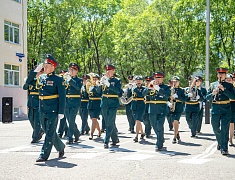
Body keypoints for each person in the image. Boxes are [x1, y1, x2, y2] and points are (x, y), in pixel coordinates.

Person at [36, 54, 66, 162]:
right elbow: (29, 84)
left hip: (53, 109)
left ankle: (44, 155)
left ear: (53, 66)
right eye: (44, 65)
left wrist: (61, 111)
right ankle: (61, 147)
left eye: (47, 65)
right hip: (43, 108)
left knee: (49, 132)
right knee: (48, 130)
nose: (45, 67)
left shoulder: (58, 79)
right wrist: (36, 72)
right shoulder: (42, 77)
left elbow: (62, 96)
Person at [206, 68, 235, 155]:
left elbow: (233, 97)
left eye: (222, 74)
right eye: (219, 74)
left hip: (226, 109)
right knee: (215, 128)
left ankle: (224, 148)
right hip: (215, 109)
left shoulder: (229, 85)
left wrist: (224, 90)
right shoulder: (212, 85)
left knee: (224, 130)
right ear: (217, 75)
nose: (221, 75)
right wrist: (212, 94)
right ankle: (220, 141)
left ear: (225, 75)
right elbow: (206, 98)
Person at [143, 72, 170, 151]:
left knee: (159, 126)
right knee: (154, 125)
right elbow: (143, 94)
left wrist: (158, 88)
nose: (157, 80)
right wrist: (148, 88)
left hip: (162, 109)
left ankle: (159, 144)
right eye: (156, 78)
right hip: (152, 109)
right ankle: (160, 138)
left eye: (159, 78)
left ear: (162, 79)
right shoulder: (151, 86)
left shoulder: (166, 87)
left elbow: (167, 95)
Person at [99, 64, 122, 149]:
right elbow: (99, 92)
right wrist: (99, 85)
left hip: (113, 103)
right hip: (104, 103)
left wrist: (109, 85)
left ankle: (106, 141)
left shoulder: (117, 81)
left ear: (113, 71)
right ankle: (115, 139)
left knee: (109, 122)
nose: (108, 72)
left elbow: (119, 92)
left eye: (110, 70)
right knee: (108, 121)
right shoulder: (104, 80)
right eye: (107, 70)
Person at [23, 66, 44, 143]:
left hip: (38, 102)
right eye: (38, 72)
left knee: (37, 121)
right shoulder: (31, 80)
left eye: (40, 72)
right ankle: (40, 131)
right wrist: (28, 80)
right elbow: (25, 87)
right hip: (31, 102)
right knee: (30, 118)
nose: (39, 73)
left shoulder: (42, 81)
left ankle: (35, 137)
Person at [64, 63, 83, 144]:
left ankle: (69, 137)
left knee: (71, 120)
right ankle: (77, 133)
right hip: (66, 102)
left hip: (75, 102)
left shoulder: (79, 80)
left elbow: (78, 87)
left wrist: (70, 80)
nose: (71, 71)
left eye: (73, 70)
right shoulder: (66, 79)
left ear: (77, 71)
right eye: (70, 69)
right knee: (69, 120)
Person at [127, 76, 146, 142]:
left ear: (142, 81)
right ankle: (142, 133)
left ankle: (136, 136)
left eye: (140, 80)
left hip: (141, 105)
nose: (138, 81)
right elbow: (128, 96)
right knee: (137, 121)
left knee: (138, 120)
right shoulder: (133, 88)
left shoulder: (144, 88)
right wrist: (129, 89)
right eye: (137, 80)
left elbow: (141, 94)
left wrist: (134, 89)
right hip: (134, 105)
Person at [169, 76, 185, 143]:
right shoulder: (170, 89)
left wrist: (178, 97)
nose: (175, 83)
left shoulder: (181, 90)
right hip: (172, 107)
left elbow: (184, 99)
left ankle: (174, 138)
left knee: (176, 121)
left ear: (179, 82)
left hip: (178, 107)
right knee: (173, 122)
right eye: (174, 82)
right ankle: (177, 133)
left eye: (176, 82)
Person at [87, 73, 102, 140]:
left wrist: (96, 86)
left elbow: (98, 93)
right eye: (93, 79)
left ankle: (91, 134)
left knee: (94, 119)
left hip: (97, 103)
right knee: (94, 120)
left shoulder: (99, 86)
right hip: (90, 104)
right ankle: (99, 131)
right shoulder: (90, 86)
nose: (94, 80)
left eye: (96, 79)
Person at [57, 70, 68, 138]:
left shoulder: (67, 81)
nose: (62, 75)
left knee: (63, 117)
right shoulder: (58, 81)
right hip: (59, 100)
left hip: (66, 100)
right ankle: (66, 129)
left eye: (63, 74)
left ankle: (60, 132)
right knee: (62, 117)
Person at [225, 73, 235, 146]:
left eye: (230, 80)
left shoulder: (233, 87)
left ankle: (230, 139)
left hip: (232, 105)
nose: (228, 81)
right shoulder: (222, 86)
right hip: (224, 105)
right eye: (227, 80)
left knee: (231, 123)